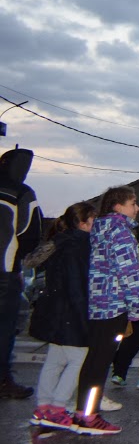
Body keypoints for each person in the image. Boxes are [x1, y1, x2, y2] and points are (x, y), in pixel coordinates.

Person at [76, 185, 139, 432]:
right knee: (101, 362)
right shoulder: (120, 231)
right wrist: (136, 307)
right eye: (133, 203)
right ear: (118, 206)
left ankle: (82, 411)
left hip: (97, 304)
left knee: (93, 361)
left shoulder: (100, 228)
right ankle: (89, 416)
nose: (137, 208)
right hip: (114, 306)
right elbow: (130, 272)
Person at [25, 202, 95, 431]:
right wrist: (84, 317)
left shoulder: (60, 242)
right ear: (84, 223)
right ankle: (57, 407)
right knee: (78, 360)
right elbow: (77, 283)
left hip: (54, 309)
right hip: (71, 311)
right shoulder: (80, 245)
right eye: (93, 221)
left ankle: (43, 405)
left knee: (55, 360)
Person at [0, 147, 44, 401]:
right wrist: (18, 262)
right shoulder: (22, 192)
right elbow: (30, 233)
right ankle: (3, 379)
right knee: (5, 328)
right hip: (6, 271)